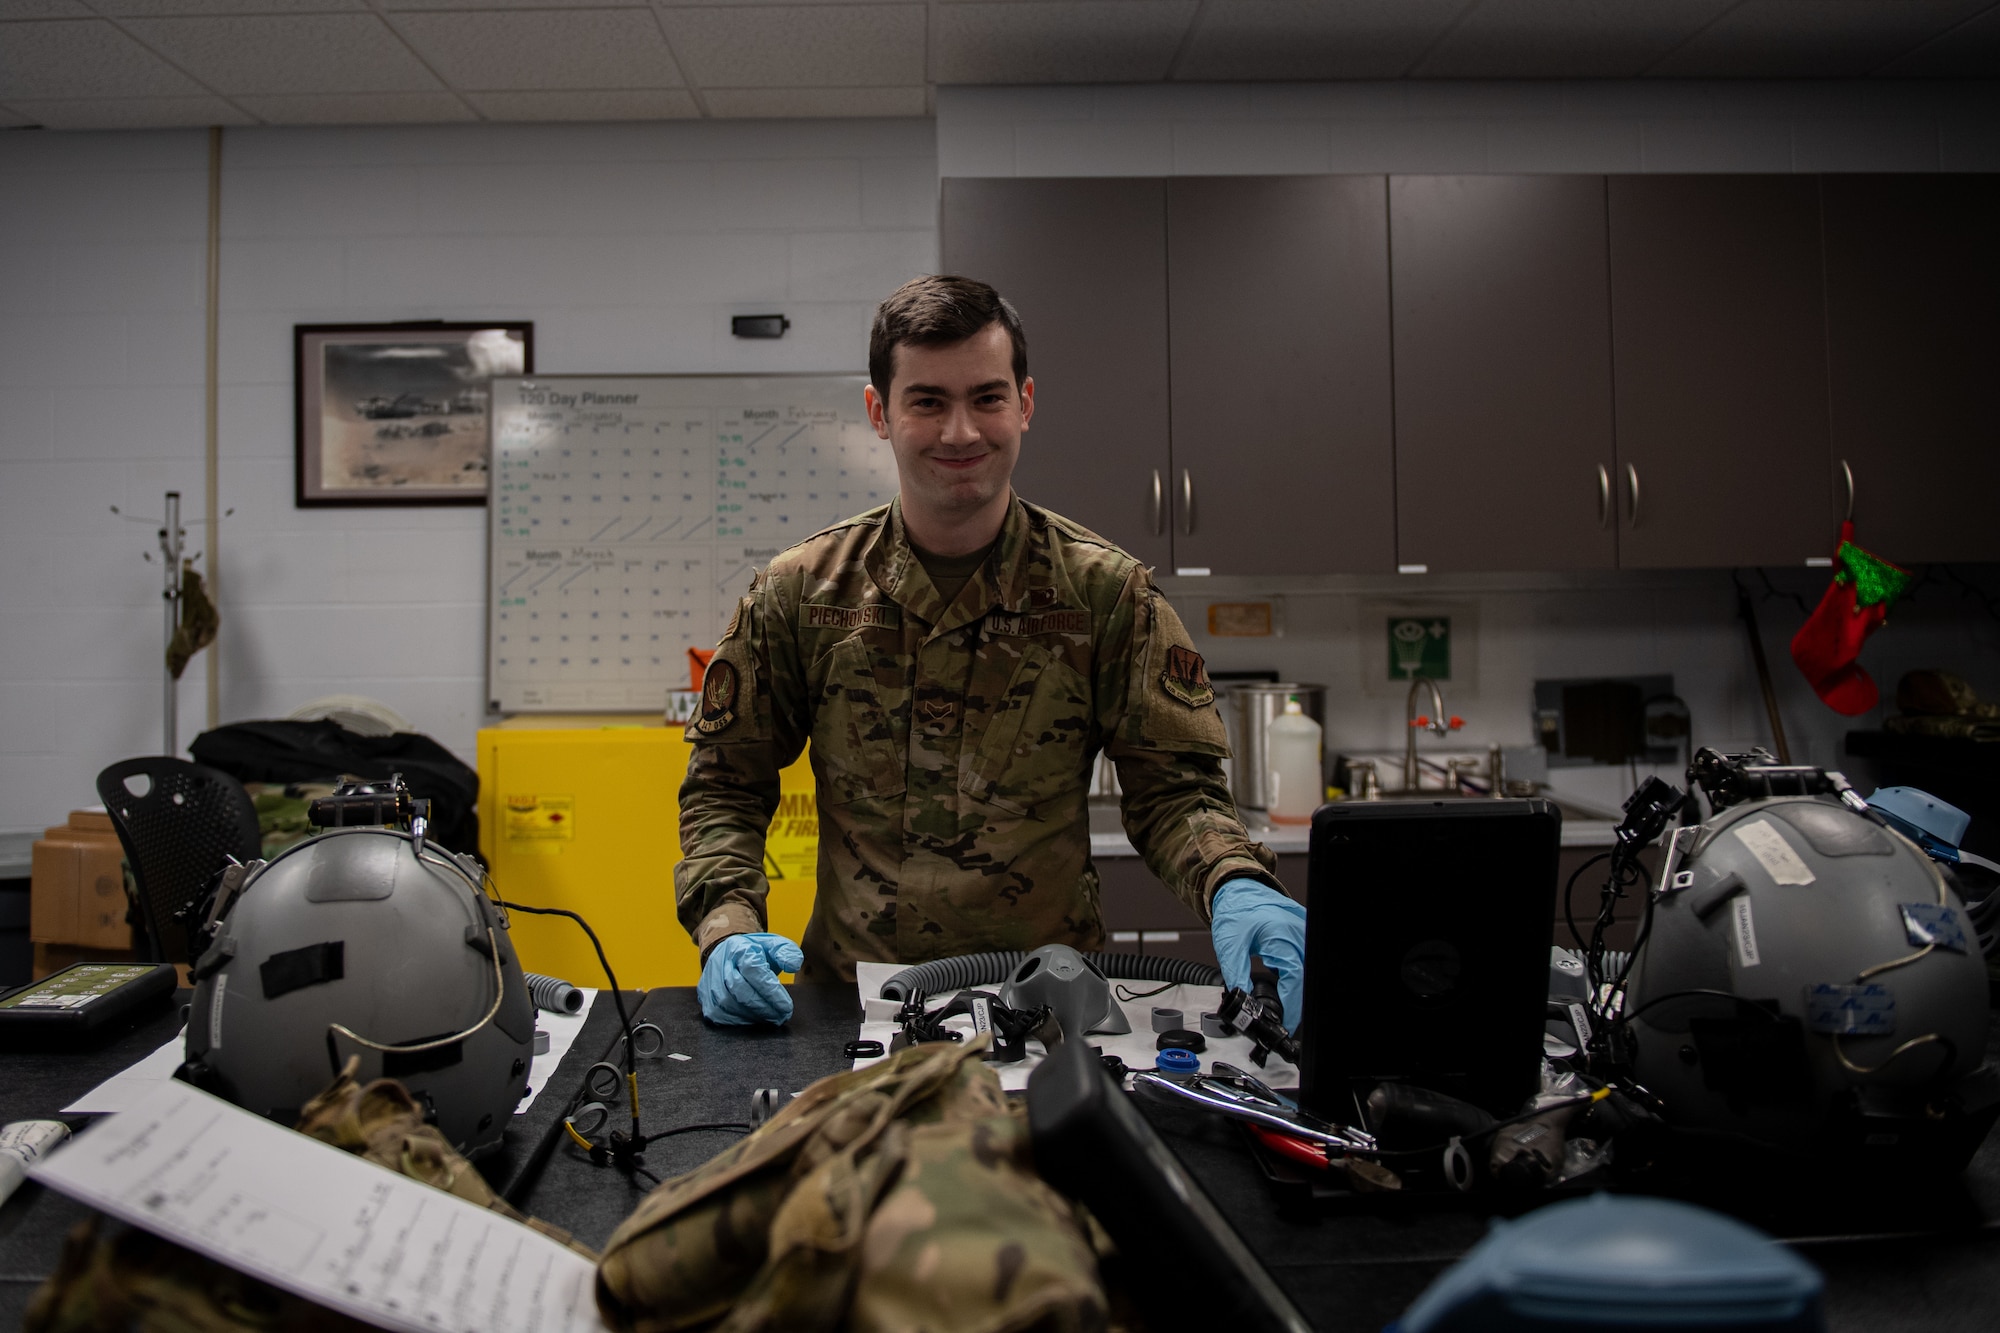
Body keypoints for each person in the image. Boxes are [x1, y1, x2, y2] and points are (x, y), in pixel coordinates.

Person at [677, 275, 1308, 1030]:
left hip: (1053, 1009)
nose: (960, 432)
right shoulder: (802, 595)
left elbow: (1175, 791)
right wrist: (729, 923)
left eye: (986, 397)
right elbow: (725, 785)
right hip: (855, 1012)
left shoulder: (1104, 594)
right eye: (928, 401)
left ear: (1026, 403)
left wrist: (1235, 882)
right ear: (880, 412)